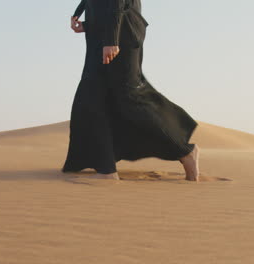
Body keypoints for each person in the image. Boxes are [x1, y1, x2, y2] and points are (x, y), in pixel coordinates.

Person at [61, 0, 200, 181]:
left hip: (121, 32)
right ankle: (106, 169)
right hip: (101, 30)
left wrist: (112, 39)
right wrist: (81, 16)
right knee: (90, 97)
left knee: (129, 96)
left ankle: (185, 151)